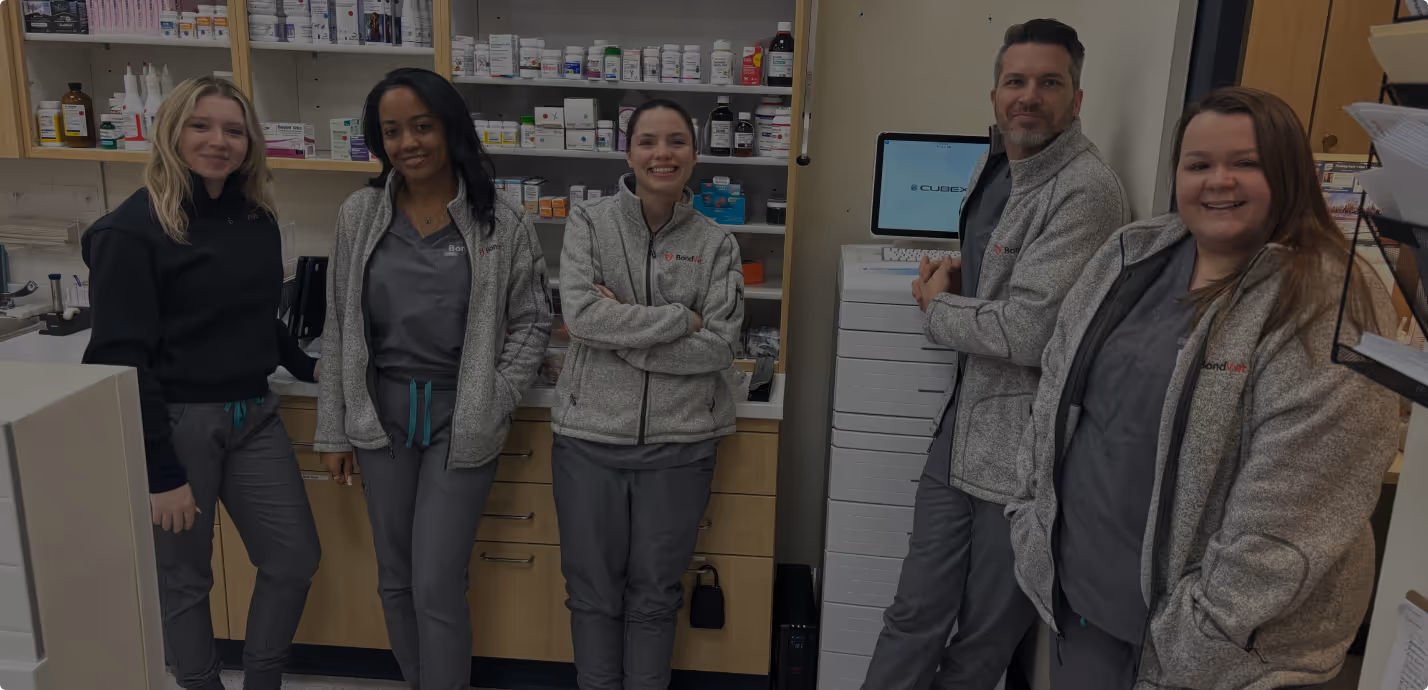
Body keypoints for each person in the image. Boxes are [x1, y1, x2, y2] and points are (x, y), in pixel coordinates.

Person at [1006, 86, 1398, 688]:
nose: (1220, 181)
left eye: (1247, 163)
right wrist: (1030, 521)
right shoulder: (1133, 256)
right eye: (1199, 165)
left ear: (1289, 173)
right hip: (1080, 606)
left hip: (1211, 655)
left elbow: (1293, 515)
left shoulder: (1325, 297)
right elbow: (1056, 384)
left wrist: (1198, 637)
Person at [863, 19, 1130, 690]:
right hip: (961, 430)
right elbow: (1004, 268)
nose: (1029, 96)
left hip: (1021, 457)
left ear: (1077, 98)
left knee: (982, 642)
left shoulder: (1085, 190)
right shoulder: (1001, 162)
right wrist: (961, 272)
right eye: (1016, 81)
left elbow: (1030, 331)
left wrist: (935, 308)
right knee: (912, 613)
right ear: (994, 95)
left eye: (1049, 82)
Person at [314, 68, 552, 690]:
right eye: (392, 131)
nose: (408, 142)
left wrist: (496, 397)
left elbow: (532, 322)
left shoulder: (501, 220)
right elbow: (339, 325)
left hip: (461, 416)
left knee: (436, 581)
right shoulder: (361, 213)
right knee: (394, 577)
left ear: (450, 127)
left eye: (422, 126)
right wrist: (333, 428)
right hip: (382, 414)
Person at [82, 76, 321, 690]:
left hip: (256, 416)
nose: (219, 141)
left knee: (293, 559)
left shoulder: (255, 217)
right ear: (171, 132)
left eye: (234, 130)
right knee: (185, 580)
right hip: (178, 423)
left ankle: (262, 682)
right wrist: (162, 476)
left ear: (250, 142)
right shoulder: (130, 231)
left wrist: (311, 369)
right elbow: (119, 358)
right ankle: (200, 683)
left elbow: (254, 314)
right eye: (201, 126)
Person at [551, 98, 745, 690]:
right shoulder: (589, 222)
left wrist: (625, 333)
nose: (663, 154)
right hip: (588, 440)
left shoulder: (717, 242)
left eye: (677, 142)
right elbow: (581, 315)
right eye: (648, 142)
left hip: (680, 444)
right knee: (590, 593)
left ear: (694, 151)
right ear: (628, 151)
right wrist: (677, 319)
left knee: (657, 593)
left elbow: (719, 347)